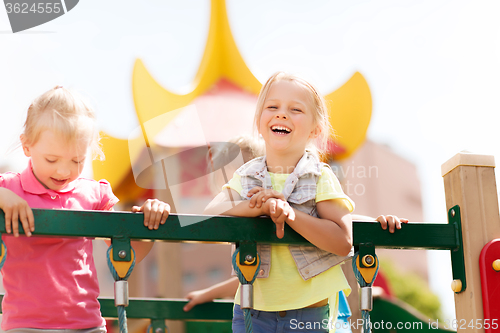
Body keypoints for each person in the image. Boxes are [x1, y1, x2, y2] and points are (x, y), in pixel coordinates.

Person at [0, 86, 170, 332]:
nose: (64, 171)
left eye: (77, 160)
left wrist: (149, 218)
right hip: (25, 325)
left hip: (86, 324)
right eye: (51, 160)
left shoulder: (93, 194)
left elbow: (127, 253)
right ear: (26, 146)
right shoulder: (11, 187)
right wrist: (3, 195)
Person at [202, 71, 357, 333]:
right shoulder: (247, 175)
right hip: (252, 309)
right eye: (272, 107)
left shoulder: (320, 175)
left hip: (309, 310)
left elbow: (343, 241)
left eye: (295, 109)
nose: (282, 114)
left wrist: (290, 214)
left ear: (315, 129)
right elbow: (212, 213)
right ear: (260, 120)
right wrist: (258, 206)